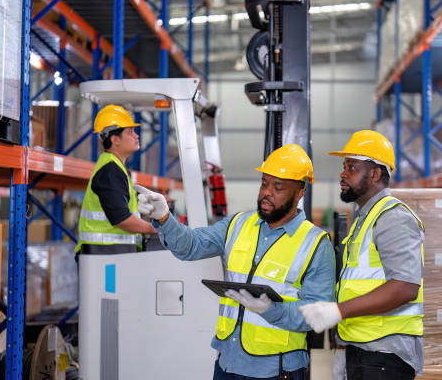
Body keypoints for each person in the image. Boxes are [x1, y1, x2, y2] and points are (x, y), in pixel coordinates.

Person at [136, 144, 336, 380]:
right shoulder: (238, 224)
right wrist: (163, 218)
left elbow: (319, 314)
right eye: (264, 183)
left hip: (277, 371)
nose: (267, 192)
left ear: (300, 193)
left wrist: (273, 310)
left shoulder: (315, 244)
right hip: (227, 363)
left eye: (278, 187)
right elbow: (190, 246)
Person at [299, 130, 425, 380]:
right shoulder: (364, 218)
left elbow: (405, 287)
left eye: (352, 167)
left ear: (376, 173)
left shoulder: (392, 218)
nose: (342, 174)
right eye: (344, 166)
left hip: (385, 355)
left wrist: (339, 311)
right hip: (363, 350)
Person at [76, 105, 156, 255]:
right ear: (115, 139)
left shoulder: (115, 167)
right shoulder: (110, 171)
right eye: (130, 132)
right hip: (105, 256)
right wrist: (156, 229)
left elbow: (119, 203)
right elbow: (122, 220)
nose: (136, 135)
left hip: (110, 253)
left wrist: (145, 201)